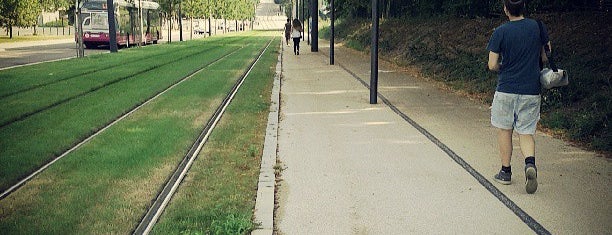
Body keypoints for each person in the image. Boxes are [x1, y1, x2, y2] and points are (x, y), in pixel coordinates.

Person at [486, 0, 550, 194]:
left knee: (505, 130)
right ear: (524, 7)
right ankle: (530, 164)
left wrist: (503, 67)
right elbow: (546, 55)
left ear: (506, 9)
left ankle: (505, 172)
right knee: (526, 132)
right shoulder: (538, 27)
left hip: (506, 88)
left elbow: (492, 64)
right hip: (531, 89)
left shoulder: (500, 31)